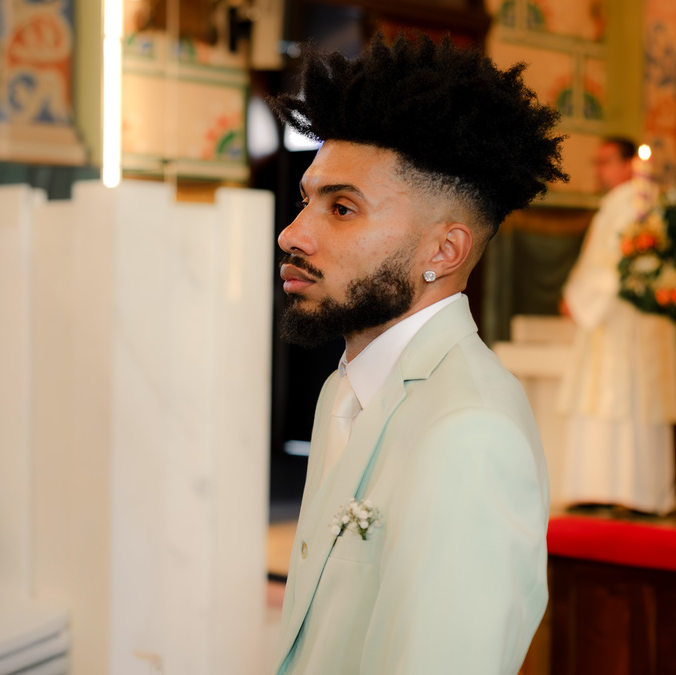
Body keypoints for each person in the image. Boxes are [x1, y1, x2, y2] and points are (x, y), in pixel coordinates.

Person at [269, 34, 566, 675]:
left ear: (444, 251)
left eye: (341, 208)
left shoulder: (471, 433)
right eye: (305, 201)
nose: (293, 235)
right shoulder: (345, 389)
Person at [557, 137, 676, 515]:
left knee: (619, 397)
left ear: (630, 164)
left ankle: (622, 491)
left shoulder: (632, 205)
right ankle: (617, 489)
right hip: (621, 318)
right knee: (621, 401)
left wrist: (579, 300)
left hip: (621, 319)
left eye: (607, 161)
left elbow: (615, 264)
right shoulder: (623, 204)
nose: (600, 170)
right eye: (597, 162)